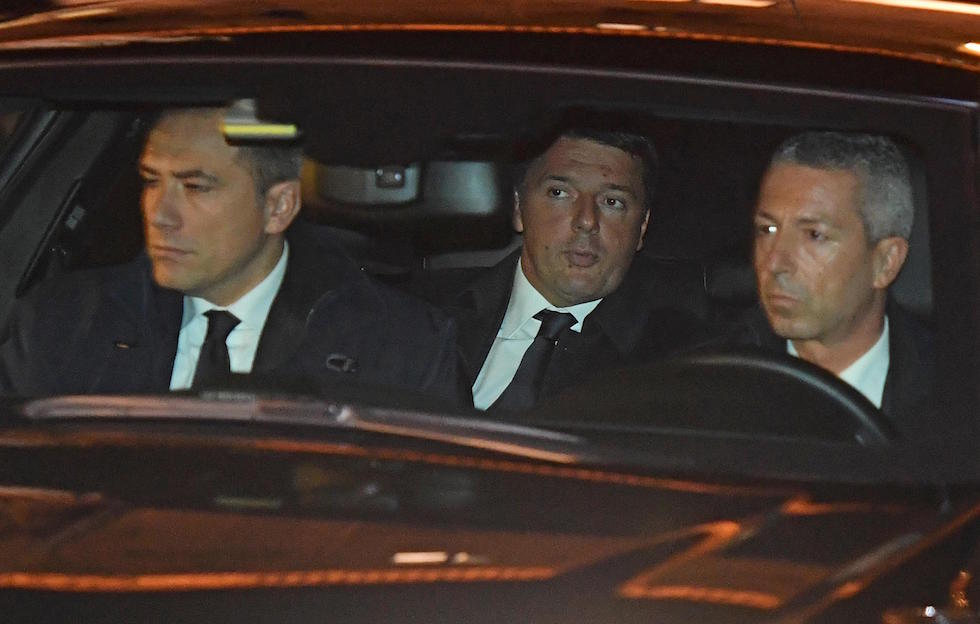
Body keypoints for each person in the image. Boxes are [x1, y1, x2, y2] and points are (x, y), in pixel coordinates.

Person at [0, 106, 458, 403]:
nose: (160, 214)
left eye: (195, 187)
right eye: (152, 181)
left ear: (278, 207)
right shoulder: (62, 323)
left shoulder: (397, 347)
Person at [422, 126, 706, 411]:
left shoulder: (682, 361)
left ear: (642, 227)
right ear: (519, 208)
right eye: (559, 193)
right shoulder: (423, 311)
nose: (586, 221)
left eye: (612, 202)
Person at [745, 130, 933, 434]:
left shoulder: (957, 396)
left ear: (885, 262)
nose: (775, 263)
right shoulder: (710, 380)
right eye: (767, 230)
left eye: (814, 235)